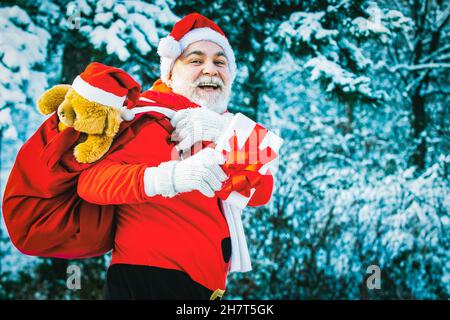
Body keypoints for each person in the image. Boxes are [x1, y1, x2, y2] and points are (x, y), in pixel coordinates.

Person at [76, 13, 274, 300]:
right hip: (147, 281)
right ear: (169, 72)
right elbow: (91, 183)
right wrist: (172, 177)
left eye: (220, 61)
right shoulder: (146, 117)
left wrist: (220, 129)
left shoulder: (224, 126)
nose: (210, 69)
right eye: (196, 60)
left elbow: (259, 191)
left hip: (203, 289)